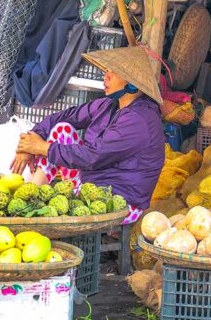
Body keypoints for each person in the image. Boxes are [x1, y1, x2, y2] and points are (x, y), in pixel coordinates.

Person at [11, 45, 165, 224]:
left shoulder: (139, 120)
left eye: (112, 72)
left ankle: (29, 211)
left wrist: (42, 147)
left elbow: (94, 156)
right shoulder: (108, 105)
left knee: (50, 150)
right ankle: (30, 195)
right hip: (90, 183)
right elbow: (62, 117)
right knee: (62, 129)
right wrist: (30, 142)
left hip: (119, 201)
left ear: (132, 84)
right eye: (106, 70)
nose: (105, 76)